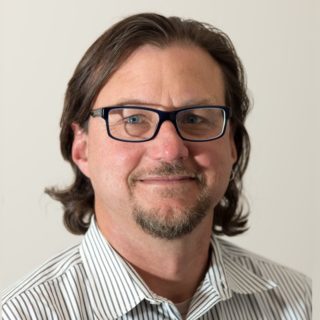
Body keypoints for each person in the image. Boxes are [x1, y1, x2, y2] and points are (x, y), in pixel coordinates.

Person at [1, 13, 311, 320]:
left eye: (195, 118)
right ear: (81, 148)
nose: (170, 149)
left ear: (233, 144)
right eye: (134, 119)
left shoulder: (303, 304)